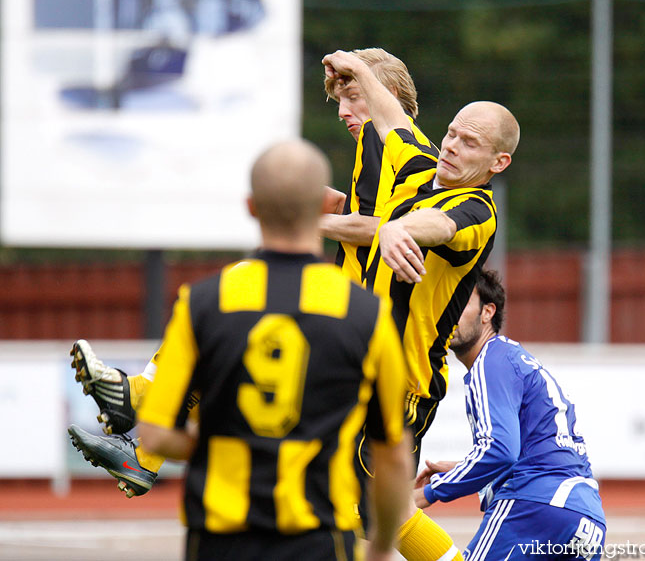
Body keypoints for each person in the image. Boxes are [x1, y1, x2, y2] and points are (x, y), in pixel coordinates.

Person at [71, 139, 412, 561]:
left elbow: (157, 435)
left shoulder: (202, 302)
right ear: (323, 213)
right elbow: (393, 454)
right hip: (321, 537)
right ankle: (133, 394)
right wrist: (379, 548)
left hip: (221, 537)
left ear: (251, 207)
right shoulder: (367, 315)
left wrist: (232, 443)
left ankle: (135, 394)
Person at [322, 50, 520, 561]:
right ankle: (143, 431)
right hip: (353, 368)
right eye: (452, 132)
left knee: (373, 510)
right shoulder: (422, 168)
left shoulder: (476, 209)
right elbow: (392, 120)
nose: (452, 146)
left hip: (401, 382)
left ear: (497, 164)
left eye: (469, 143)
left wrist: (395, 228)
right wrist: (357, 69)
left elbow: (439, 227)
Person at [414, 270, 607, 561]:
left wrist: (428, 493)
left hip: (536, 506)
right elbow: (533, 452)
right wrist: (460, 467)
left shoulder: (489, 362)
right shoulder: (513, 359)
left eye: (460, 302)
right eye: (443, 303)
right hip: (586, 518)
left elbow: (499, 451)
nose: (448, 312)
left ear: (487, 312)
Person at [320, 47, 438, 285]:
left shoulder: (376, 133)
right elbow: (391, 213)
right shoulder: (423, 145)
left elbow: (377, 228)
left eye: (353, 97)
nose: (342, 112)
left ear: (389, 95)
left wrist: (299, 222)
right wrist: (343, 205)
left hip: (367, 304)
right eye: (339, 101)